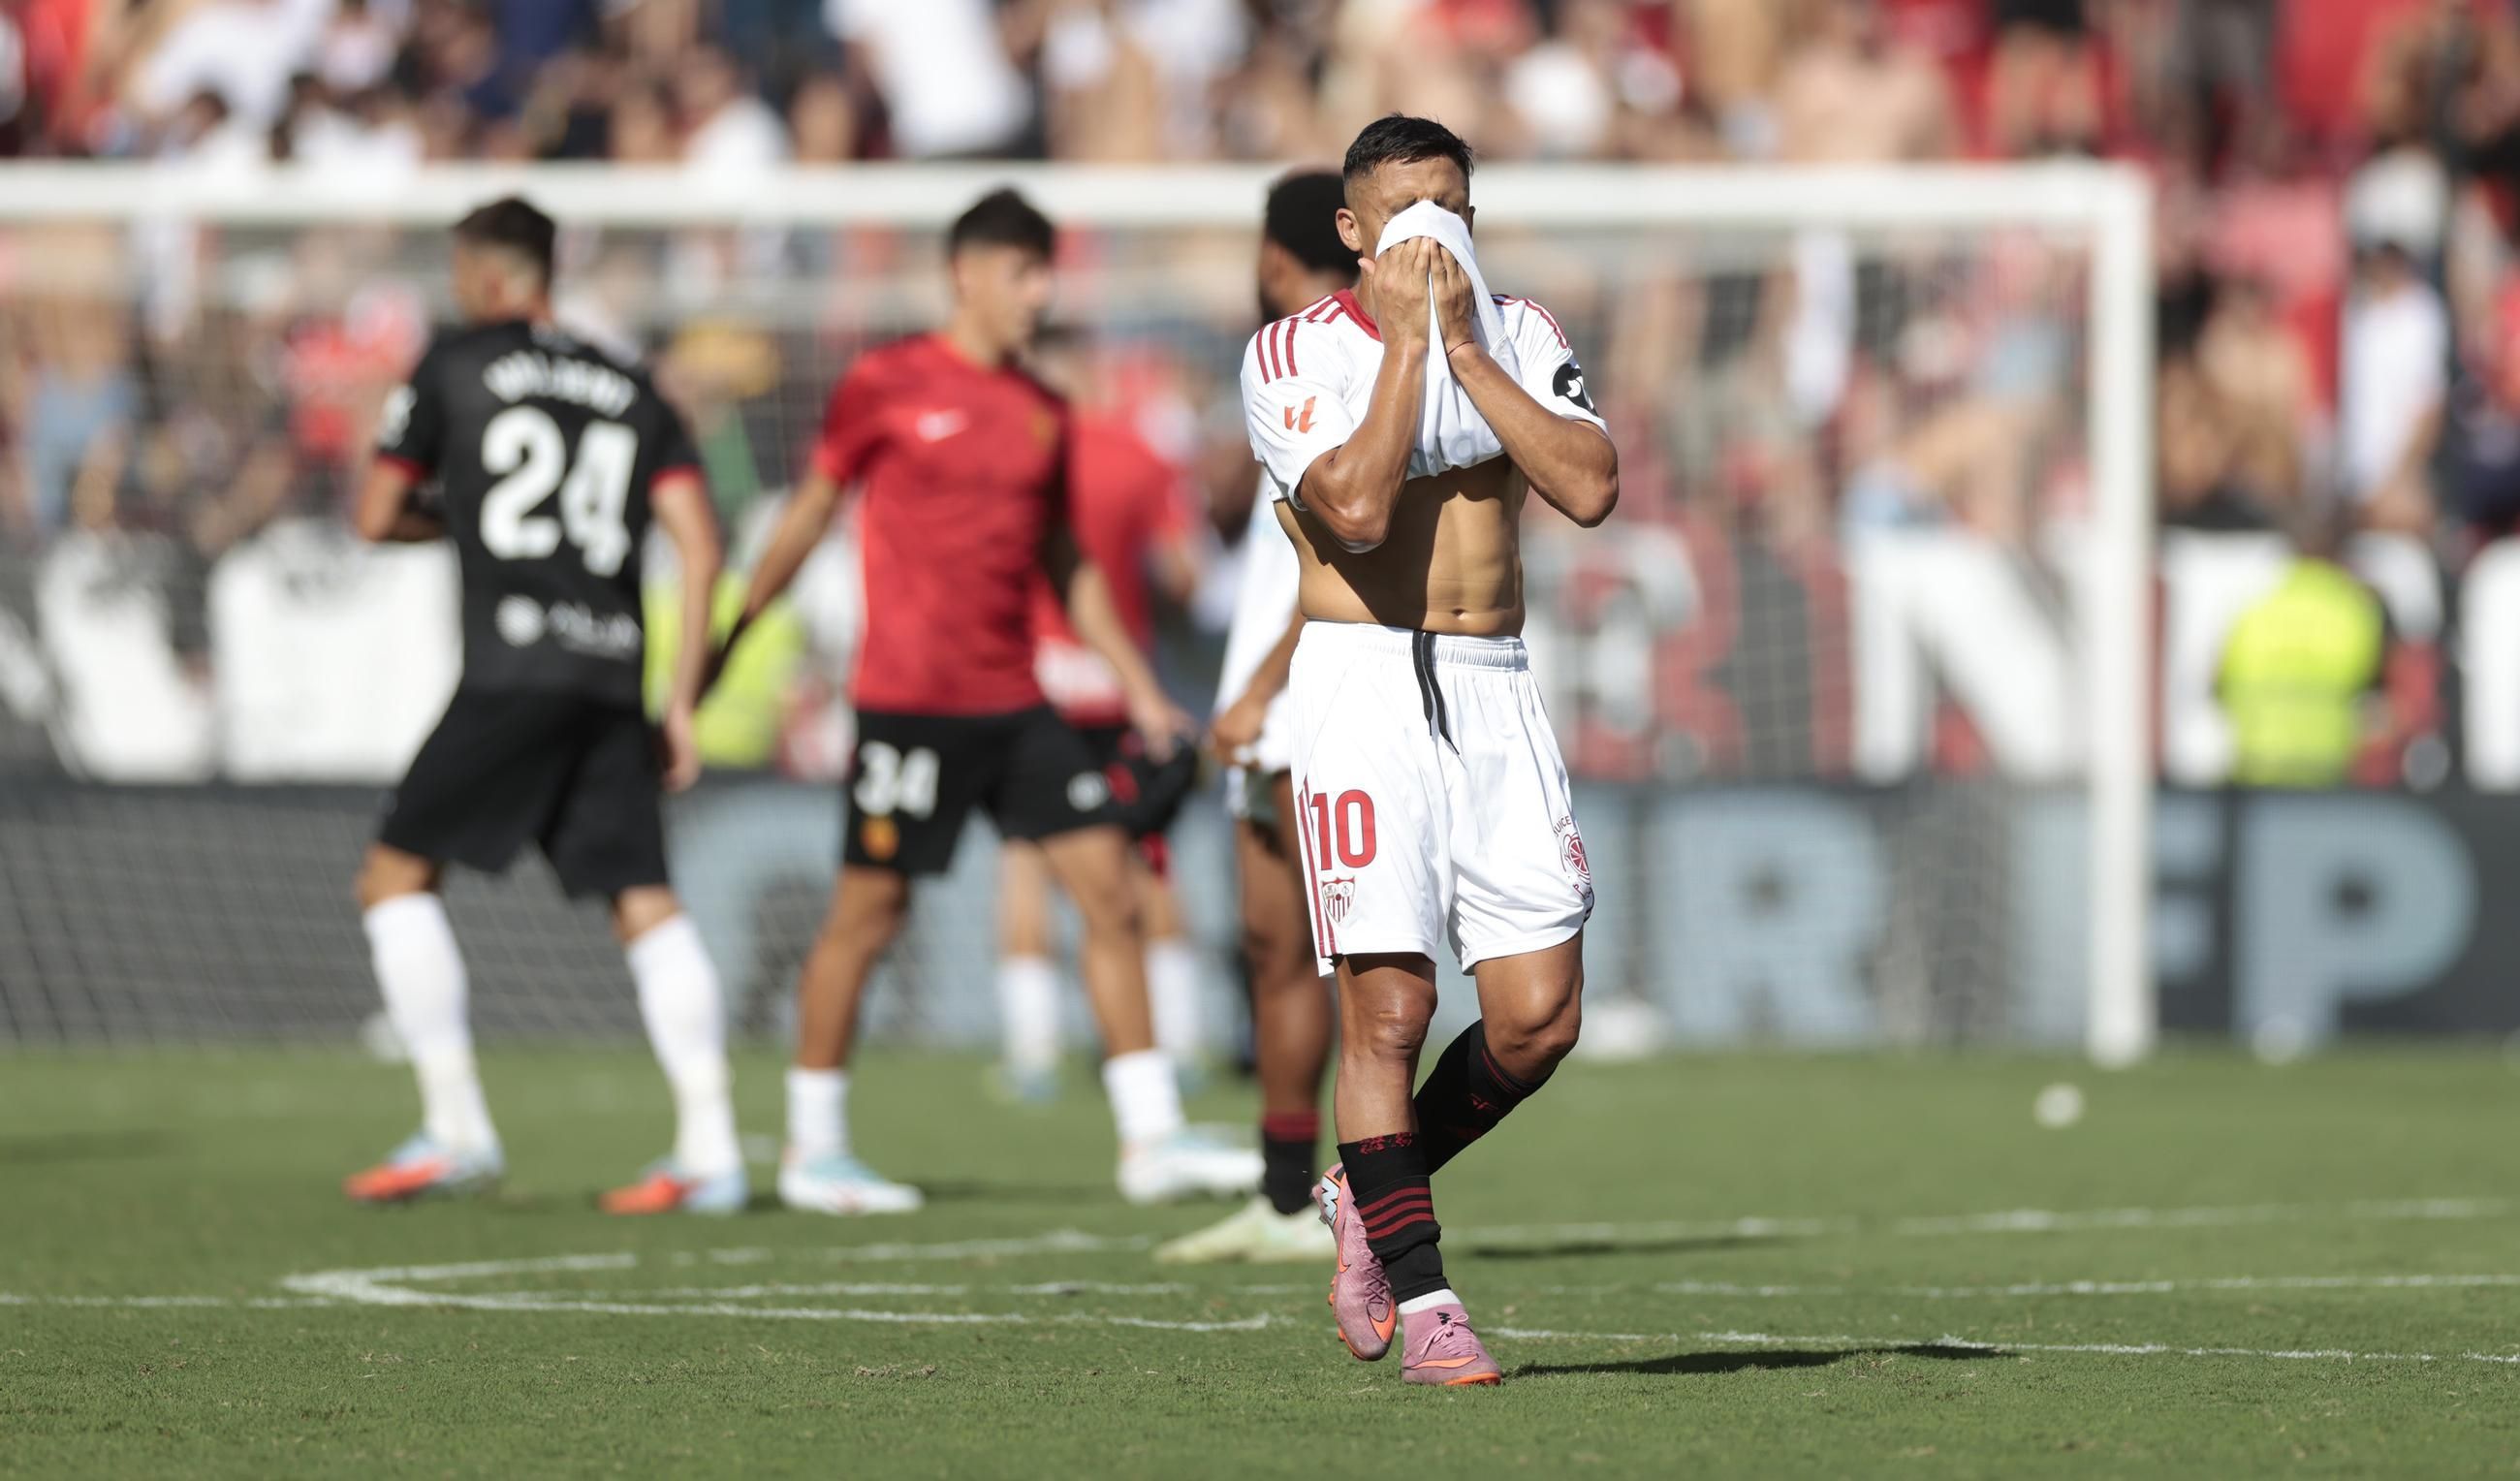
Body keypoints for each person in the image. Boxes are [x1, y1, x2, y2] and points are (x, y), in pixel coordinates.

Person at [723, 187, 1259, 1213]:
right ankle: (812, 1147)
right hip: (907, 706)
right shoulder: (885, 384)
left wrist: (1144, 691)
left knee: (1109, 890)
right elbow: (807, 516)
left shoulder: (1044, 413)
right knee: (865, 917)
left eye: (1046, 272)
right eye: (1023, 272)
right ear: (965, 274)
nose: (1039, 293)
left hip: (1016, 705)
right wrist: (735, 629)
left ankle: (1149, 1138)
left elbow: (1071, 569)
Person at [1241, 116, 1617, 1385]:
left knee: (1538, 1021)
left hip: (1494, 680)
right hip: (1361, 688)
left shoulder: (1525, 330)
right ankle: (1430, 1295)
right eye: (1402, 211)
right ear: (1354, 231)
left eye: (1448, 204)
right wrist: (1409, 346)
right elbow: (1348, 509)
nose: (1428, 231)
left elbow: (1589, 483)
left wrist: (1460, 341)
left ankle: (1365, 1192)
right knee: (1391, 1009)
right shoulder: (1292, 351)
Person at [343, 197, 743, 1215]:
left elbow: (377, 512)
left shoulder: (454, 362)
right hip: (612, 674)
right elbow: (700, 544)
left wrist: (467, 520)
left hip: (512, 668)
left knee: (393, 880)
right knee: (645, 905)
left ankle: (456, 1125)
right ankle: (712, 1150)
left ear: (482, 275)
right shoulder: (629, 383)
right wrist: (683, 700)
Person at [1154, 169, 1355, 1267]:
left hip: (1306, 695)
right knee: (1275, 950)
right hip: (1280, 694)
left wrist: (1261, 685)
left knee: (1333, 965)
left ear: (1275, 259)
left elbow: (1335, 553)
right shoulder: (1307, 355)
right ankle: (1286, 1200)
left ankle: (1347, 1200)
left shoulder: (1317, 358)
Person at [994, 327, 1208, 1103]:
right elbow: (1187, 576)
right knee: (1147, 860)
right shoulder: (1142, 456)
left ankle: (1033, 1050)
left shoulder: (1013, 453)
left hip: (1034, 681)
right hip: (1122, 682)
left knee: (1024, 863)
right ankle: (1178, 1037)